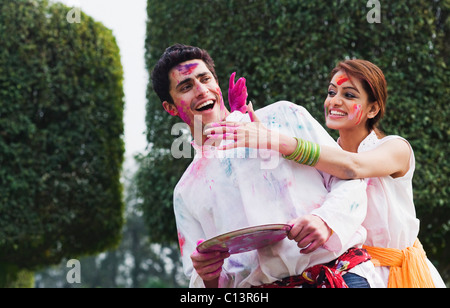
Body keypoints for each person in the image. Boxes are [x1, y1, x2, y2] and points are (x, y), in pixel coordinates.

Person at [151, 44, 384, 288]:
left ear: (217, 84)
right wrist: (208, 275)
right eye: (186, 87)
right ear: (170, 107)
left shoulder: (283, 117)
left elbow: (350, 178)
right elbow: (204, 282)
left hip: (342, 276)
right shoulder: (186, 191)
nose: (201, 90)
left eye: (205, 78)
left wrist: (326, 221)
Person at [206, 59, 446, 288]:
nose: (335, 101)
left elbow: (353, 167)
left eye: (349, 95)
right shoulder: (324, 157)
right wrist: (256, 137)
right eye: (332, 93)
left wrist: (276, 140)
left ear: (373, 109)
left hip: (401, 274)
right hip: (351, 273)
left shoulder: (396, 148)